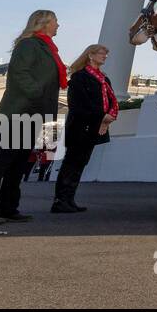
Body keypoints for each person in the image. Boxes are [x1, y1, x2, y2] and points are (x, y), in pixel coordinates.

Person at [0, 10, 65, 226]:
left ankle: (8, 207)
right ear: (43, 23)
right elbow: (20, 73)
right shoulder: (29, 45)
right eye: (56, 22)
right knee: (3, 162)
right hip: (21, 110)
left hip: (34, 111)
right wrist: (37, 94)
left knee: (19, 162)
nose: (59, 25)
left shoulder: (47, 47)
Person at [52, 44, 118, 213]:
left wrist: (108, 117)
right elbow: (78, 104)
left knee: (81, 162)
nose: (105, 56)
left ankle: (69, 199)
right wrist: (101, 116)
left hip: (94, 127)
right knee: (72, 162)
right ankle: (60, 200)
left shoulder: (104, 79)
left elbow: (111, 101)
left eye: (106, 54)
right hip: (80, 126)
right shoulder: (79, 77)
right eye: (102, 53)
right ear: (90, 55)